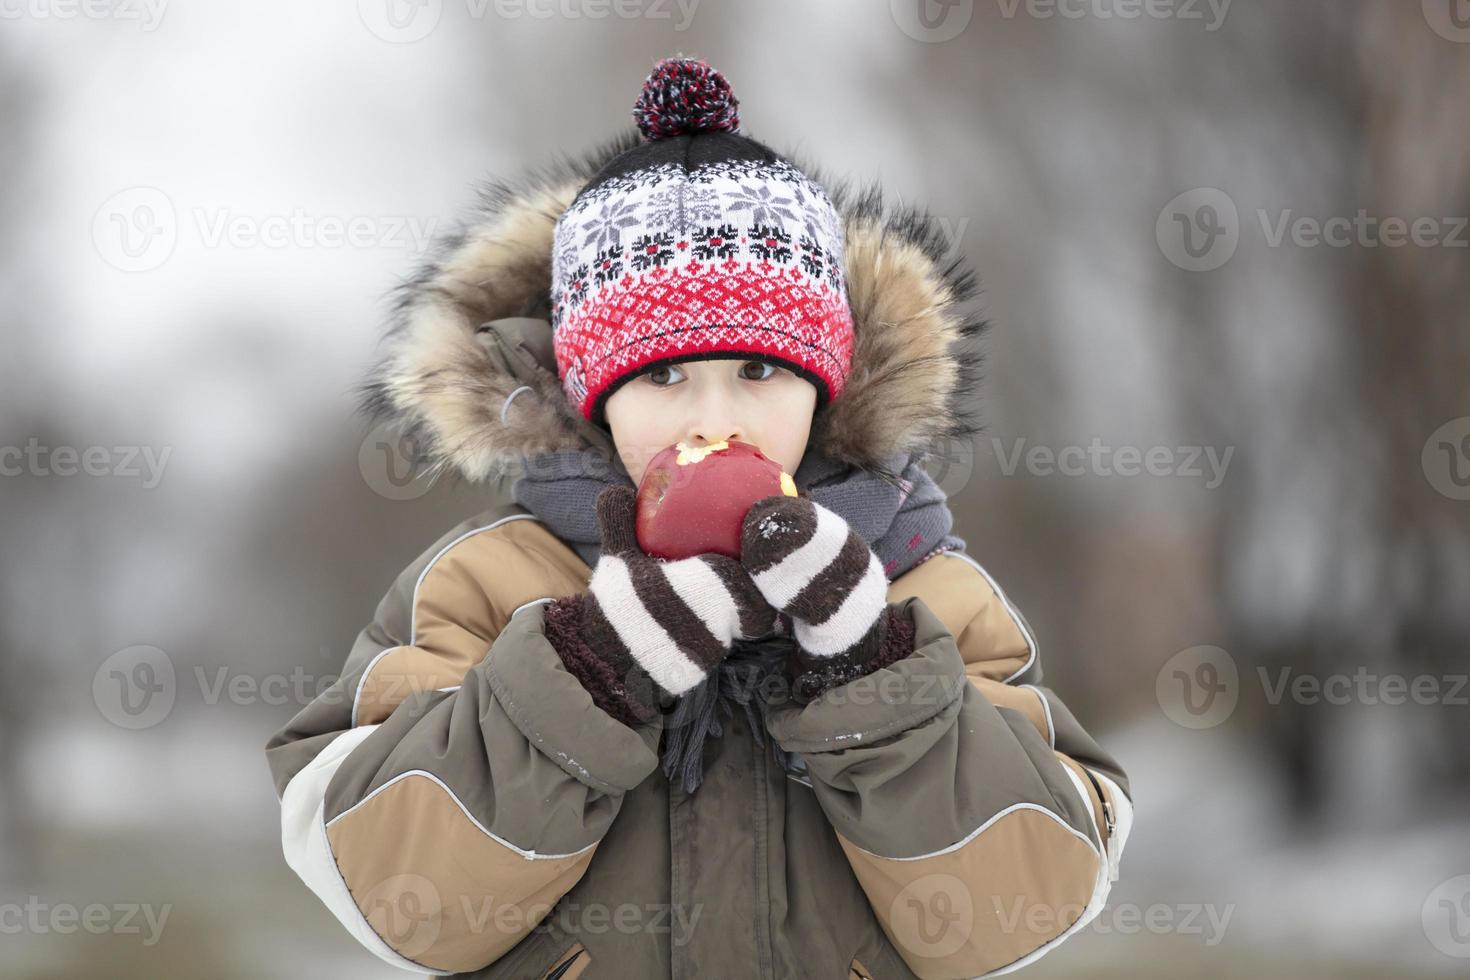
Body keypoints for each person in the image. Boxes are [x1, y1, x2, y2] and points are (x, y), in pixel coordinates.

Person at [264, 57, 1132, 980]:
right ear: (594, 395)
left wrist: (868, 673)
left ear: (825, 386)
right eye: (664, 376)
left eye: (759, 372)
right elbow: (395, 894)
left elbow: (1029, 904)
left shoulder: (926, 590)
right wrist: (588, 675)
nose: (714, 420)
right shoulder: (482, 586)